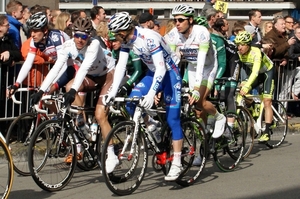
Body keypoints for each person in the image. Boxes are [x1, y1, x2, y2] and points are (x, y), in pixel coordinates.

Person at [105, 12, 183, 181]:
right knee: (131, 103)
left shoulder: (149, 37)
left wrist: (152, 92)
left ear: (124, 31)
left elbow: (161, 68)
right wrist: (112, 92)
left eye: (116, 34)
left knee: (173, 119)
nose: (115, 38)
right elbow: (120, 66)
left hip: (170, 73)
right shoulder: (128, 41)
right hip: (152, 73)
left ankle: (177, 162)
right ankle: (152, 125)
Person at [29, 17, 115, 162]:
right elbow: (56, 69)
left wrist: (73, 91)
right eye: (77, 35)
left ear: (89, 36)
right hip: (91, 77)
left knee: (100, 116)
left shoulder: (94, 44)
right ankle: (82, 126)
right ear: (73, 33)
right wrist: (41, 90)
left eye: (84, 36)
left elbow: (84, 67)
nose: (80, 40)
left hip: (107, 76)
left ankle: (112, 155)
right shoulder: (68, 45)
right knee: (69, 86)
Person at [164, 4, 226, 139]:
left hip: (208, 67)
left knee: (200, 100)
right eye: (175, 20)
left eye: (181, 20)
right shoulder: (173, 35)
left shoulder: (201, 32)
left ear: (190, 20)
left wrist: (197, 88)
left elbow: (202, 61)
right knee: (197, 111)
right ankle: (205, 137)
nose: (177, 23)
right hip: (192, 67)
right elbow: (173, 62)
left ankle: (219, 117)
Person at [6, 12, 69, 97]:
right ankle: (56, 111)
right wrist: (16, 84)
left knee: (46, 92)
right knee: (44, 96)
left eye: (35, 31)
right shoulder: (34, 41)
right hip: (61, 67)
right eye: (31, 31)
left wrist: (47, 85)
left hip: (72, 65)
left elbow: (62, 64)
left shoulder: (56, 37)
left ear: (45, 30)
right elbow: (28, 63)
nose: (32, 35)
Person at [235, 31, 274, 142]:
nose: (239, 47)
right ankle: (252, 107)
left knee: (267, 101)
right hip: (255, 74)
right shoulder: (239, 53)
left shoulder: (255, 52)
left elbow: (255, 72)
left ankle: (266, 132)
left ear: (248, 44)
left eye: (242, 44)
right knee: (241, 92)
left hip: (267, 73)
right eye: (238, 45)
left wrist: (247, 86)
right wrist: (242, 84)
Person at [108, 31, 147, 96]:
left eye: (115, 41)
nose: (113, 44)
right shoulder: (114, 52)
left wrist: (127, 84)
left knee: (123, 86)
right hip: (129, 72)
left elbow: (138, 70)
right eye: (111, 41)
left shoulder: (131, 50)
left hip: (142, 72)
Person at [0, 14, 22, 121]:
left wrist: (9, 53)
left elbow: (18, 54)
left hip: (5, 79)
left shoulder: (8, 40)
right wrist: (8, 61)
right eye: (6, 25)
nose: (9, 27)